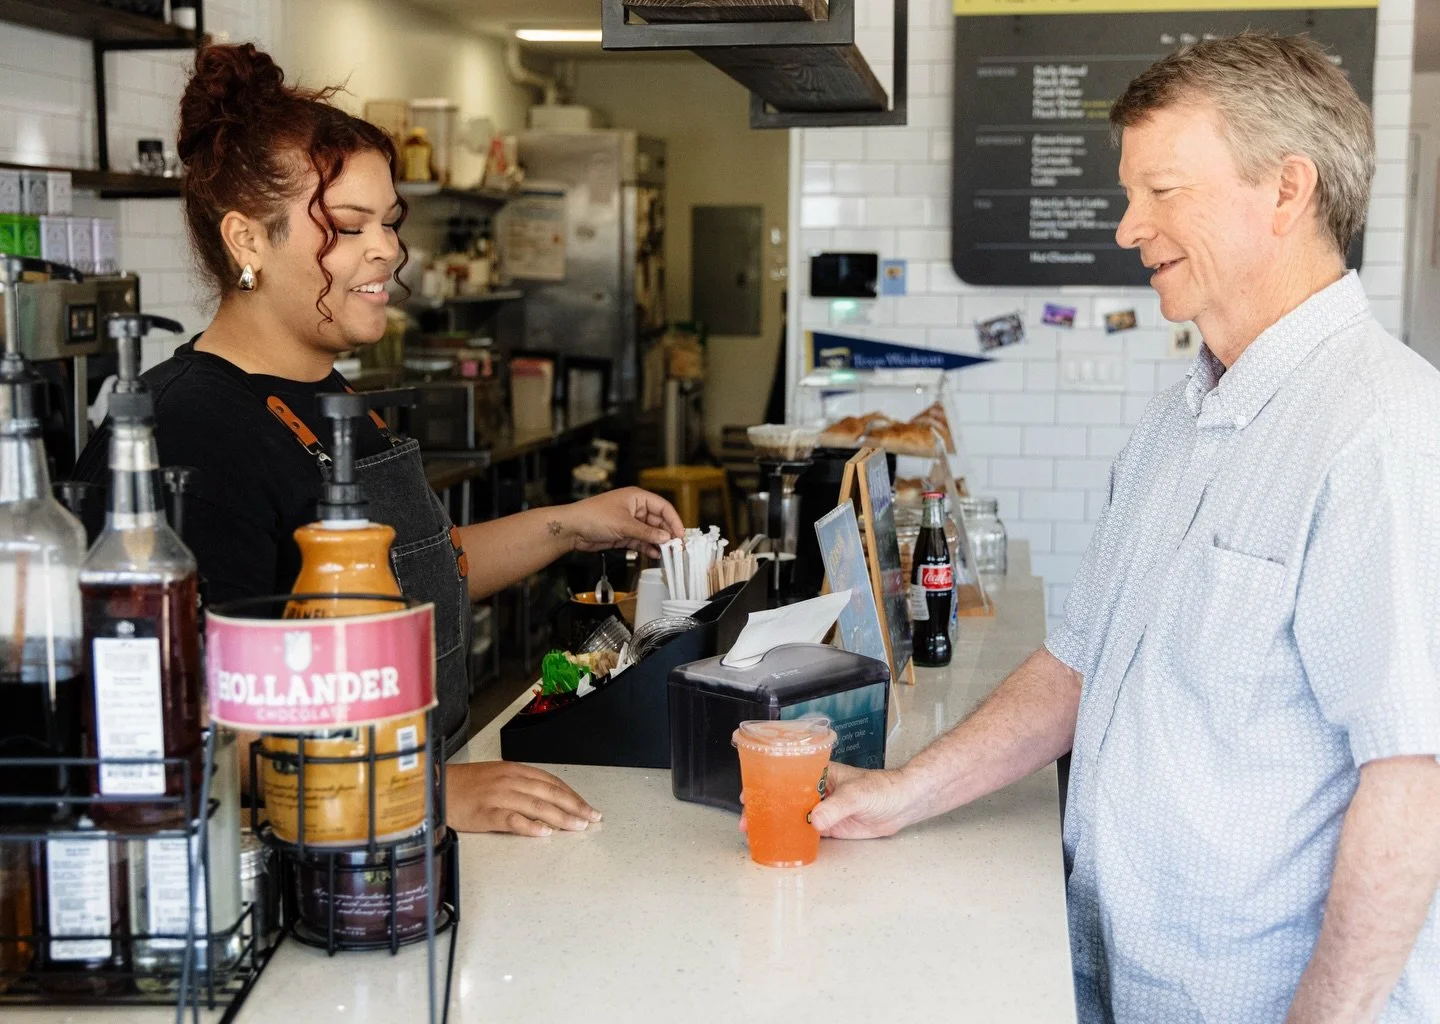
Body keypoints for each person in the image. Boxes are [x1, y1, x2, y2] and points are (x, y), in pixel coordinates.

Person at [804, 33, 1440, 1023]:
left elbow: (1412, 781)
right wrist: (902, 793)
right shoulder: (1174, 424)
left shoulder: (1383, 431)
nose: (1126, 228)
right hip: (1115, 970)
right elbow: (1079, 664)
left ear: (1286, 191)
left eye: (1161, 190)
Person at [73, 43, 685, 838]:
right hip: (296, 866)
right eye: (349, 226)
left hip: (400, 835)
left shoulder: (327, 395)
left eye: (390, 223)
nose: (389, 249)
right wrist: (424, 792)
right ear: (247, 240)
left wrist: (573, 522)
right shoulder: (184, 433)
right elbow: (176, 722)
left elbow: (413, 575)